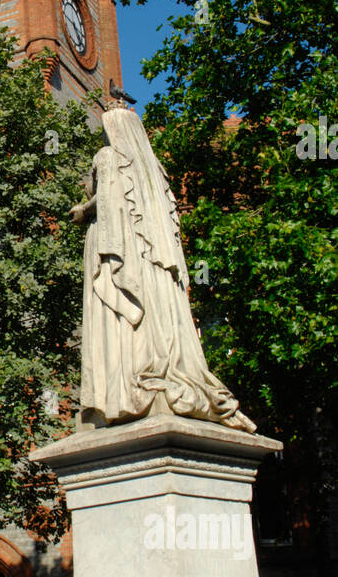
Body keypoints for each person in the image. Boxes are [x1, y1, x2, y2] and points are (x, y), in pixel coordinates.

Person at [70, 108, 255, 432]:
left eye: (105, 132)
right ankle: (158, 374)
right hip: (150, 265)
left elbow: (110, 198)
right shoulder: (154, 171)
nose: (103, 138)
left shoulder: (108, 156)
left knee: (118, 320)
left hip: (115, 247)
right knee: (149, 322)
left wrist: (84, 209)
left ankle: (122, 391)